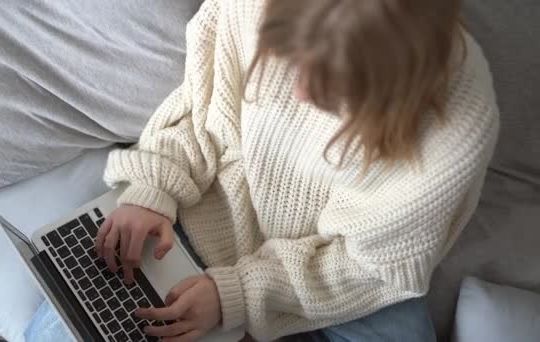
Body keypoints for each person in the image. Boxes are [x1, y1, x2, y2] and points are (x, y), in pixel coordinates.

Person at [90, 0, 499, 341]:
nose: (299, 92)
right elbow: (202, 109)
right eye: (287, 61)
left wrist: (238, 295)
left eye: (329, 86)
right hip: (214, 211)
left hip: (339, 271)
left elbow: (372, 267)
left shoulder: (458, 128)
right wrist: (155, 188)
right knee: (80, 318)